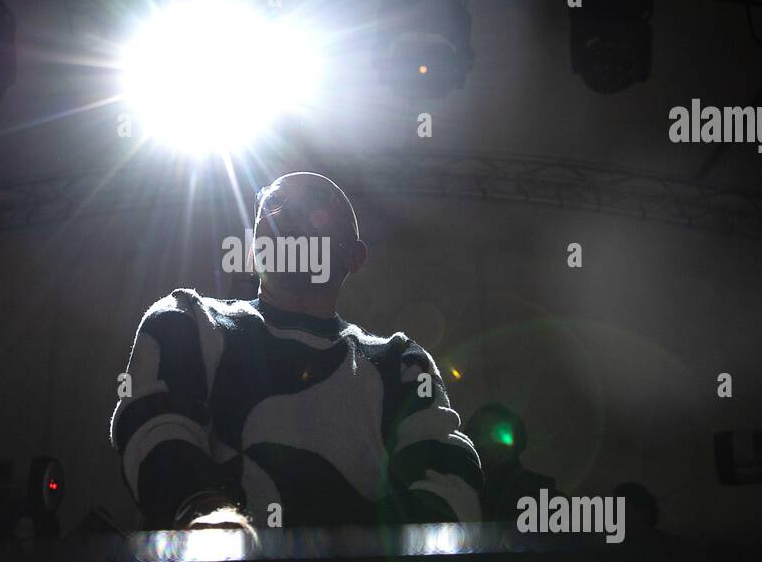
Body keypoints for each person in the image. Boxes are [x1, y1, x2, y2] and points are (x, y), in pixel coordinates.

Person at [110, 172, 483, 532]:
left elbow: (449, 476)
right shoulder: (187, 320)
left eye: (315, 203)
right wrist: (206, 519)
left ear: (355, 256)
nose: (284, 212)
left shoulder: (402, 364)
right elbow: (154, 427)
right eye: (272, 204)